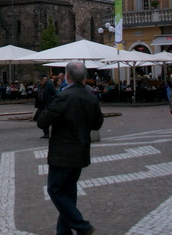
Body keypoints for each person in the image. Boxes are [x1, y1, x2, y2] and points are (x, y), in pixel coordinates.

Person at [37, 60, 104, 235]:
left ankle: (82, 226)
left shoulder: (64, 96)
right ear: (84, 77)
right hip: (81, 152)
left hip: (62, 153)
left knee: (55, 190)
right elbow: (97, 123)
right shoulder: (91, 97)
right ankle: (64, 232)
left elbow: (43, 121)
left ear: (67, 76)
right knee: (69, 191)